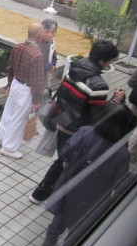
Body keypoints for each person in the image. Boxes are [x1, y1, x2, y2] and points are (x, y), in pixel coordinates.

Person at [30, 40, 125, 204]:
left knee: (63, 160)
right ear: (104, 61)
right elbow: (100, 114)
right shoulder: (98, 85)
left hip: (62, 121)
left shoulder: (73, 68)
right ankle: (41, 193)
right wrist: (116, 100)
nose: (110, 64)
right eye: (110, 61)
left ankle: (46, 192)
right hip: (77, 131)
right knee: (65, 163)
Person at [42, 104, 137, 246]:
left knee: (60, 214)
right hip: (94, 198)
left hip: (70, 186)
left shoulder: (85, 131)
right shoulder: (121, 153)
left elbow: (65, 153)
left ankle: (49, 239)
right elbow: (121, 184)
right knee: (79, 229)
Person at [0, 23, 45, 159]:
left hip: (16, 83)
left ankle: (0, 137)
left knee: (8, 112)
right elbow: (37, 80)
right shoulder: (37, 55)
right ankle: (9, 148)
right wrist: (36, 100)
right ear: (39, 35)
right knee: (18, 118)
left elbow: (10, 67)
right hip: (26, 90)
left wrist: (9, 84)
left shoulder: (18, 47)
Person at [39, 18, 58, 101]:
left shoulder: (52, 42)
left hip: (47, 75)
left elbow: (54, 56)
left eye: (52, 32)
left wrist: (53, 64)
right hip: (36, 77)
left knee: (44, 91)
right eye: (47, 31)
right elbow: (34, 63)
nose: (49, 35)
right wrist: (49, 66)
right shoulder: (37, 43)